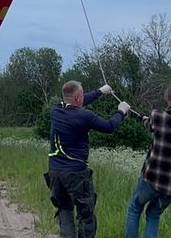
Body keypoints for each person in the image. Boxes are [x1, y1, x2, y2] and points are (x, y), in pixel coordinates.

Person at [47, 81, 130, 238]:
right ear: (78, 97)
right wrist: (121, 111)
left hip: (55, 173)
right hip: (76, 175)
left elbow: (79, 101)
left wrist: (100, 92)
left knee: (64, 209)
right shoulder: (84, 116)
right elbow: (109, 126)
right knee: (86, 215)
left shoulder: (55, 109)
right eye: (82, 94)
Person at [125, 82, 171, 238]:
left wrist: (143, 118)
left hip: (153, 178)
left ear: (167, 98)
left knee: (135, 208)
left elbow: (149, 125)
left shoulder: (157, 115)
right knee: (153, 214)